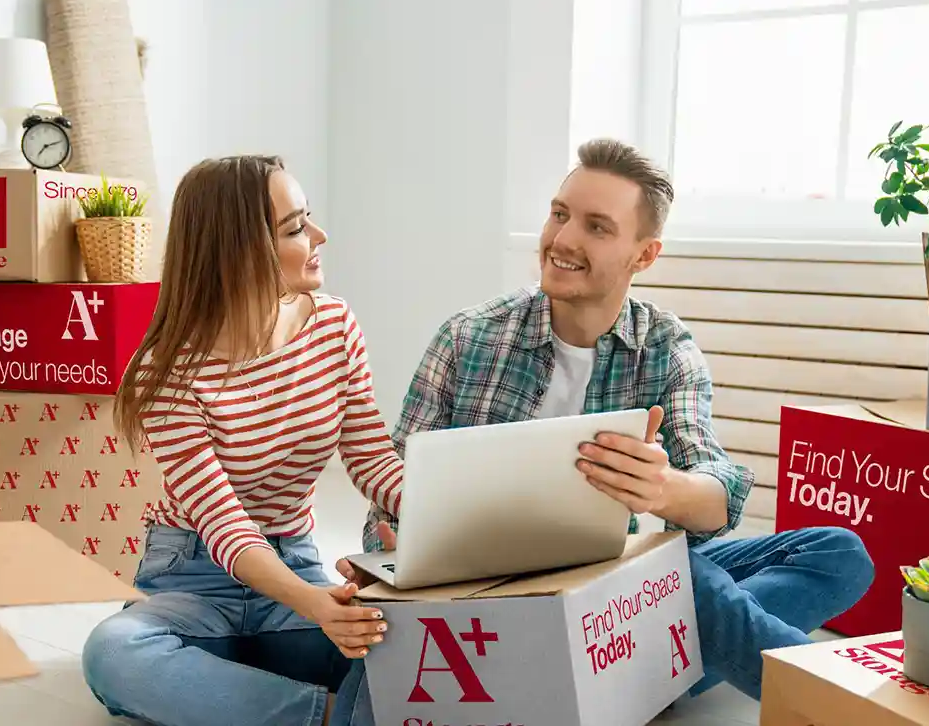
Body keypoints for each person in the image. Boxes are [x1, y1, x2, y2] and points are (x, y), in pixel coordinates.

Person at [342, 138, 875, 703]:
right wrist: (399, 540)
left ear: (644, 255)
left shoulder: (666, 348)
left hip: (606, 589)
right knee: (684, 581)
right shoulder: (467, 337)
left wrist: (661, 488)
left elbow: (718, 493)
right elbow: (391, 485)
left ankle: (627, 674)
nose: (563, 239)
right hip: (482, 589)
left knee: (837, 554)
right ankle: (826, 701)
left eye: (597, 227)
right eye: (560, 214)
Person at [81, 155, 395, 726]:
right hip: (192, 576)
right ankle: (324, 719)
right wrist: (318, 608)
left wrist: (451, 517)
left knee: (400, 644)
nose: (320, 236)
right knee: (112, 651)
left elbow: (373, 459)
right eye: (296, 228)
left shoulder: (334, 327)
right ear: (240, 251)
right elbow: (224, 525)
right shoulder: (166, 372)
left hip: (293, 563)